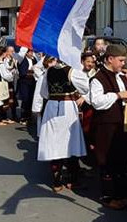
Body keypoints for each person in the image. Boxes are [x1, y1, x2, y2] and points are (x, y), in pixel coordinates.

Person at [89, 44, 127, 210]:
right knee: (107, 161)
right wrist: (116, 96)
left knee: (122, 161)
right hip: (106, 126)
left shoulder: (121, 78)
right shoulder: (98, 79)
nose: (123, 64)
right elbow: (97, 101)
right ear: (110, 59)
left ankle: (122, 194)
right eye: (121, 60)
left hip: (122, 126)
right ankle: (108, 196)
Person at [37, 61, 90, 192]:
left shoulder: (48, 71)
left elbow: (44, 93)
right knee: (71, 143)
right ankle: (73, 179)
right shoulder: (72, 71)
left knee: (54, 143)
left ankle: (56, 180)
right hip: (68, 108)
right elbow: (85, 88)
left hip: (51, 107)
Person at [16, 47, 38, 125]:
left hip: (32, 82)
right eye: (30, 52)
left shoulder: (34, 59)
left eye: (32, 52)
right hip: (24, 82)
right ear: (26, 53)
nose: (31, 53)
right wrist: (31, 72)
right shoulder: (22, 60)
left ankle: (29, 117)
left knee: (30, 99)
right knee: (25, 99)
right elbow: (22, 72)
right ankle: (23, 117)